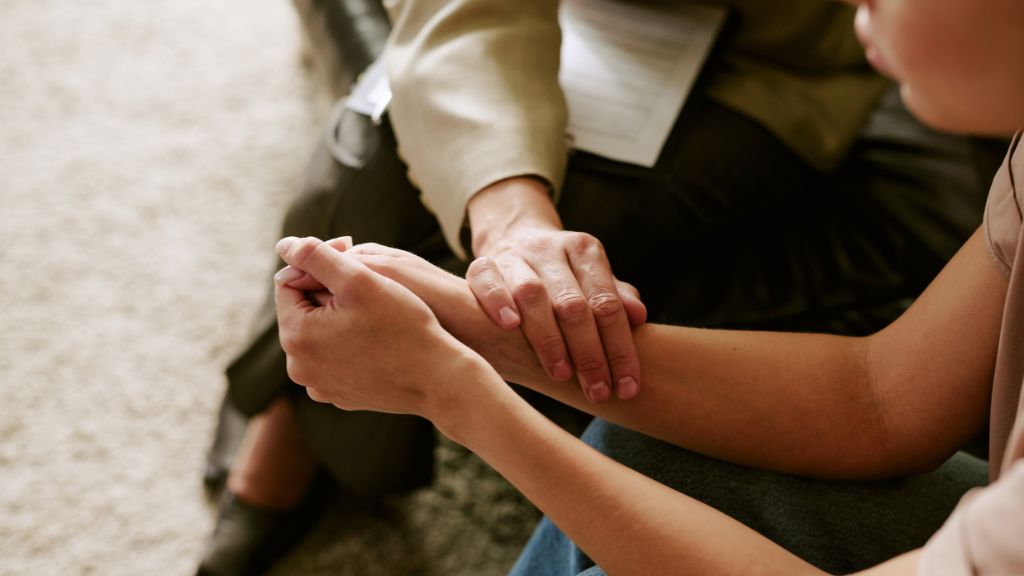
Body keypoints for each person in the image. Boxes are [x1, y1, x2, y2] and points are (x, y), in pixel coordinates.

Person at [197, 0, 999, 572]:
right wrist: (478, 320)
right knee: (392, 148)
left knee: (377, 152)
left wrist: (457, 390)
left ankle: (286, 423)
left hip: (756, 61)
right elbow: (879, 401)